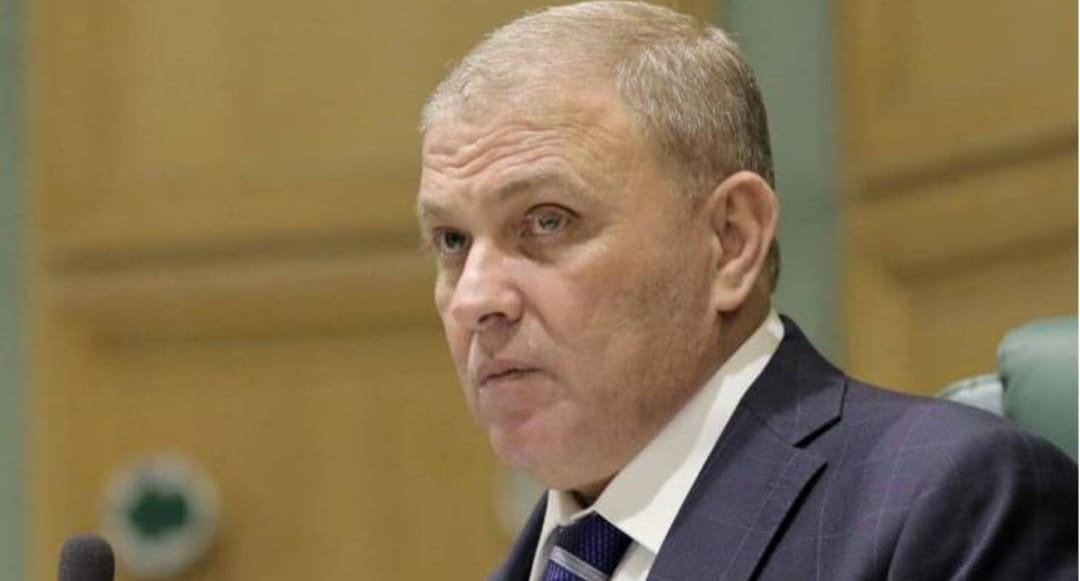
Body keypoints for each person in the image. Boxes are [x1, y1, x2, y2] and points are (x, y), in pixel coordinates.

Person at [414, 2, 1078, 580]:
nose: (474, 298)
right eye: (452, 241)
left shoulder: (948, 503)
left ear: (731, 240)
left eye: (547, 221)